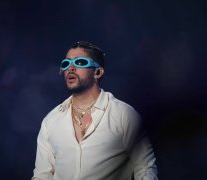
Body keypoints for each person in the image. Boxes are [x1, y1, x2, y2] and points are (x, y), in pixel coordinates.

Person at [32, 41, 158, 180]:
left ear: (98, 72)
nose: (71, 68)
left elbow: (145, 169)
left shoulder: (124, 115)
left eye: (80, 62)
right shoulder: (51, 121)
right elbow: (42, 175)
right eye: (66, 63)